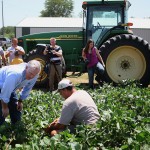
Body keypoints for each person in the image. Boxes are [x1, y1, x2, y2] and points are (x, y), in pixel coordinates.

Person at [0, 60, 41, 125]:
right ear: (26, 67)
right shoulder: (15, 74)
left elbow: (27, 88)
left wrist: (20, 101)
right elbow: (5, 93)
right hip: (3, 86)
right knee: (2, 112)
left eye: (34, 75)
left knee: (16, 109)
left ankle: (16, 127)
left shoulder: (35, 74)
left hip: (10, 88)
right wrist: (4, 107)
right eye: (30, 73)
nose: (31, 76)